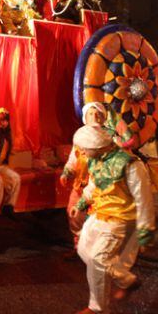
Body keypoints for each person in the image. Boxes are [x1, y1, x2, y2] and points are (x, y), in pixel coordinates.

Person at [70, 125, 155, 314]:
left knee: (98, 259)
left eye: (84, 148)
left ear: (97, 146)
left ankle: (97, 309)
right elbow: (94, 185)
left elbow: (144, 197)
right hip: (99, 213)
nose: (82, 152)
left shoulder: (131, 164)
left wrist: (146, 230)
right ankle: (126, 280)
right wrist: (81, 203)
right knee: (83, 250)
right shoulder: (95, 160)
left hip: (120, 218)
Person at [61, 102, 107, 254]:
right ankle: (79, 246)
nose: (94, 117)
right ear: (85, 118)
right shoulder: (80, 137)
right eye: (91, 114)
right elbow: (73, 158)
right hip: (79, 185)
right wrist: (67, 172)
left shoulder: (107, 139)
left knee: (95, 218)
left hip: (98, 188)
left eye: (97, 114)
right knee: (73, 213)